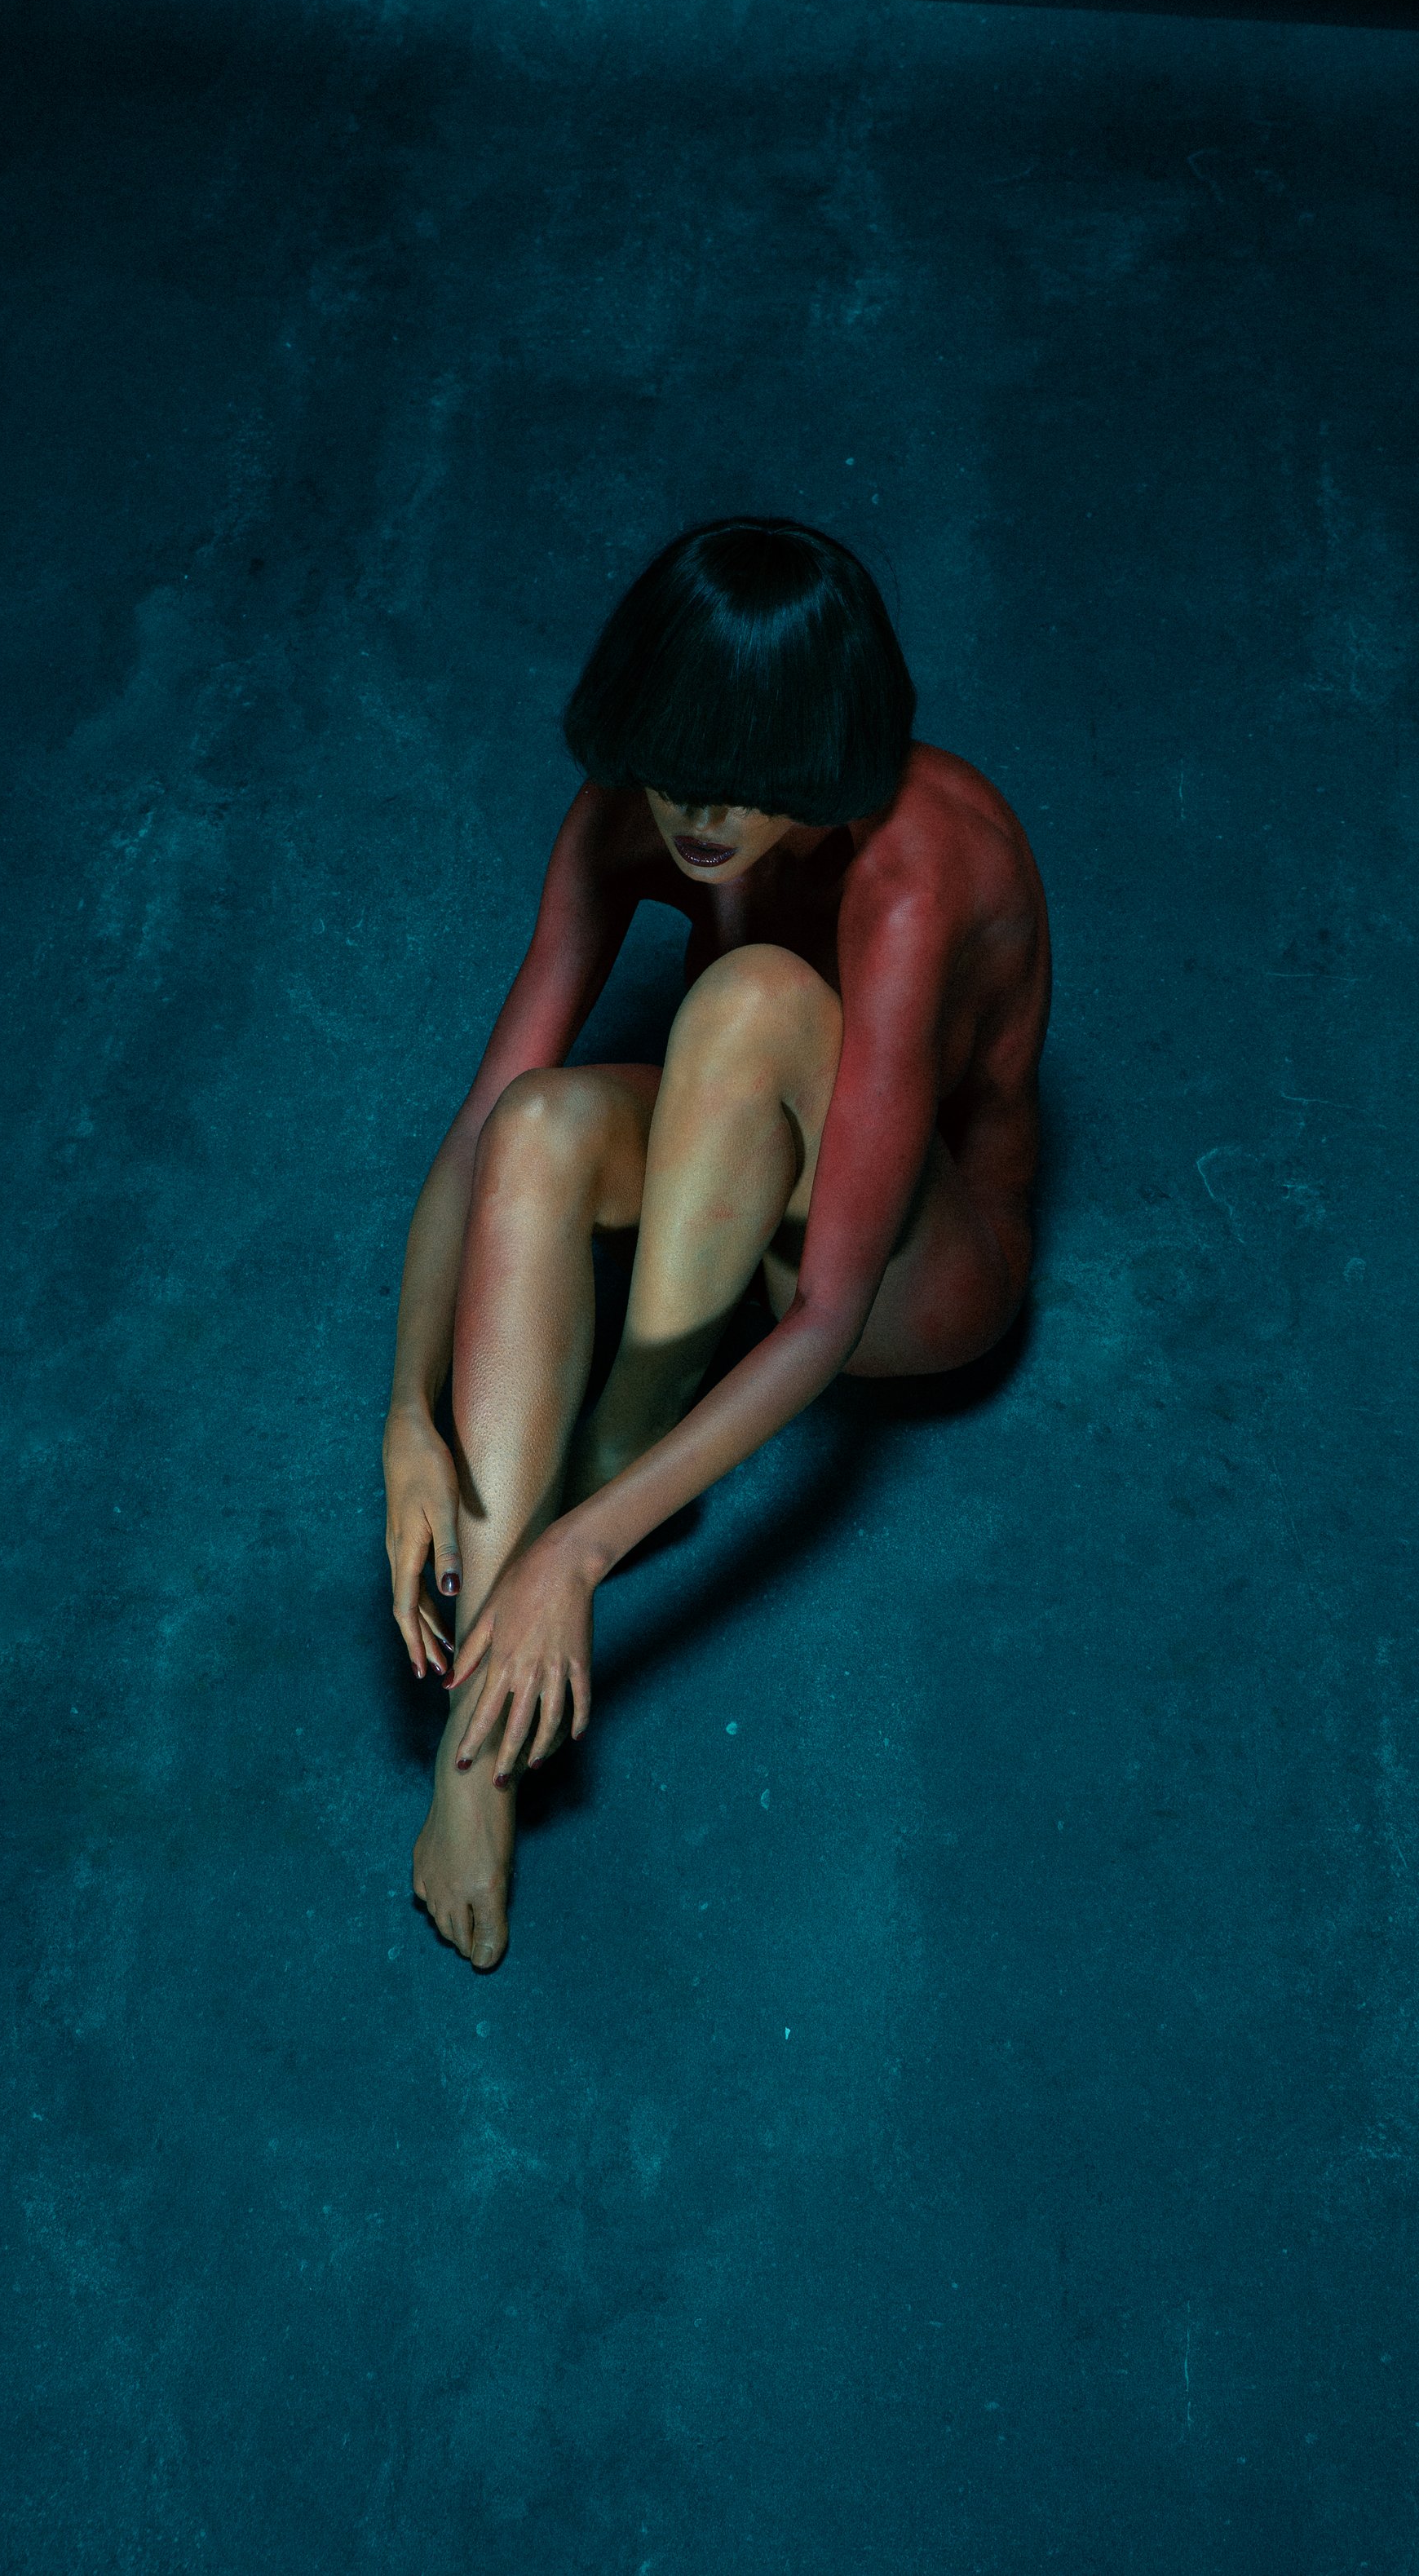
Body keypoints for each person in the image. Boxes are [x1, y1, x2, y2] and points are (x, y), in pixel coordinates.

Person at [382, 518, 1051, 1968]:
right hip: (729, 1179)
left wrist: (583, 1542)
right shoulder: (633, 809)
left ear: (827, 759)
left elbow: (824, 1309)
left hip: (913, 1275)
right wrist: (405, 1422)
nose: (701, 814)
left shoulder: (916, 870)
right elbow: (483, 1124)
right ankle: (478, 1755)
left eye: (749, 787)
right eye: (679, 765)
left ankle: (620, 1457)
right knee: (548, 1127)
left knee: (751, 996)